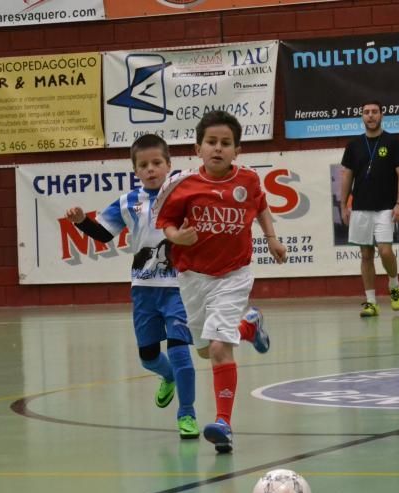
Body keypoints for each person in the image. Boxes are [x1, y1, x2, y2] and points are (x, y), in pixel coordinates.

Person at [154, 110, 287, 453]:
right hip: (193, 278)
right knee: (202, 349)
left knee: (217, 347)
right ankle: (250, 326)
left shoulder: (248, 181)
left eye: (225, 143)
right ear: (198, 148)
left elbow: (260, 207)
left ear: (237, 150)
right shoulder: (182, 185)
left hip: (233, 274)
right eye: (211, 142)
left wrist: (271, 238)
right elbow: (166, 222)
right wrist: (176, 237)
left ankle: (224, 423)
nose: (218, 149)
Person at [64, 134, 200, 440]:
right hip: (144, 289)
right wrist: (82, 221)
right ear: (135, 171)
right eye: (143, 165)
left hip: (179, 286)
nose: (151, 169)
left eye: (156, 163)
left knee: (180, 351)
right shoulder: (128, 202)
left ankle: (187, 413)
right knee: (148, 356)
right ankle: (168, 377)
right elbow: (103, 235)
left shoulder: (184, 196)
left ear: (169, 165)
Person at [339, 100, 399, 317]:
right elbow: (347, 176)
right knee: (366, 255)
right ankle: (371, 302)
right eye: (366, 112)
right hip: (360, 208)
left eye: (374, 112)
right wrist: (343, 206)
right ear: (362, 116)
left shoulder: (392, 142)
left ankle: (394, 284)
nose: (370, 116)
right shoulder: (353, 145)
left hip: (385, 208)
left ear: (382, 115)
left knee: (385, 250)